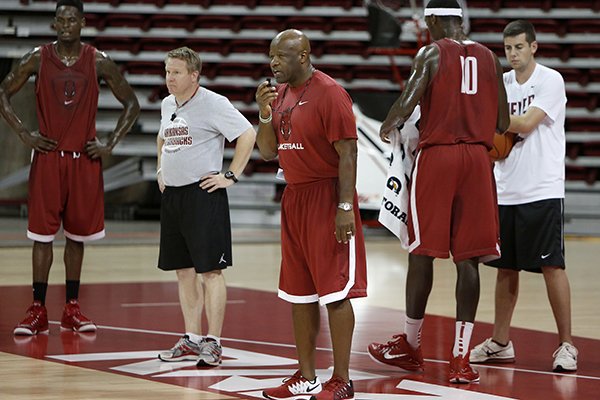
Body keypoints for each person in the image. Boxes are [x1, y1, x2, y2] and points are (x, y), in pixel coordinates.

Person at [366, 0, 509, 384]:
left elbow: (403, 107)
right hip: (478, 163)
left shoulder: (431, 52)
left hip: (440, 158)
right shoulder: (490, 58)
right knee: (469, 260)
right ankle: (462, 358)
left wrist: (386, 128)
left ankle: (411, 345)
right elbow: (504, 121)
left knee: (422, 252)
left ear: (431, 20)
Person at [0, 0, 140, 336]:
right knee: (41, 236)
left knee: (77, 236)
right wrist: (23, 133)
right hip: (48, 158)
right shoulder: (37, 57)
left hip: (84, 160)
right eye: (60, 20)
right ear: (53, 24)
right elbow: (3, 92)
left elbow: (132, 104)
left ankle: (72, 308)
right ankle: (37, 309)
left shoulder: (98, 61)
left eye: (72, 19)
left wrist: (109, 143)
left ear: (82, 23)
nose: (66, 25)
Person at [255, 29, 367, 400]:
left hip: (327, 195)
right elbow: (268, 152)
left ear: (302, 56)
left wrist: (345, 205)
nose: (273, 63)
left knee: (334, 292)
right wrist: (264, 114)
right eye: (271, 56)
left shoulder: (330, 93)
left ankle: (342, 379)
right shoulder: (281, 94)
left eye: (280, 56)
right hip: (295, 197)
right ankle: (306, 376)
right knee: (299, 294)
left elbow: (348, 152)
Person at [470, 20, 578, 372]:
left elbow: (527, 123)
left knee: (552, 265)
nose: (513, 54)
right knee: (505, 268)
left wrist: (484, 118)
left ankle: (566, 345)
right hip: (505, 188)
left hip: (542, 187)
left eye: (519, 47)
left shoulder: (550, 80)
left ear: (534, 46)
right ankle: (501, 342)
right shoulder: (500, 83)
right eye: (508, 48)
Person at [155, 46, 256, 367]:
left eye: (176, 72)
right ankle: (192, 338)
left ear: (194, 75)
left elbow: (247, 134)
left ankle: (214, 341)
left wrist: (231, 175)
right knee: (183, 271)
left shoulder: (214, 103)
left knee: (210, 271)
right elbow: (162, 139)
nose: (169, 78)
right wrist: (160, 169)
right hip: (173, 198)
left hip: (203, 197)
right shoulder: (167, 104)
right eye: (167, 71)